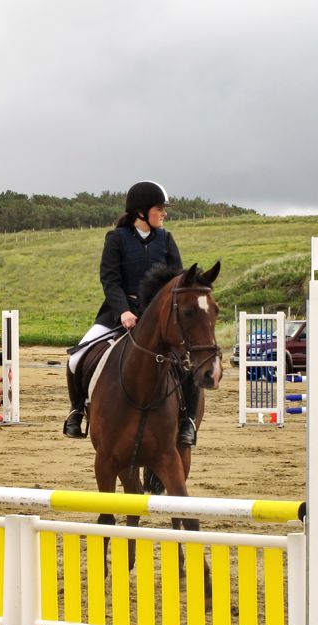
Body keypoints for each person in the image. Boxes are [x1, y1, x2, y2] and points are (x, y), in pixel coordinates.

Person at [64, 181, 200, 447]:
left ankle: (188, 420)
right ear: (141, 212)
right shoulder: (117, 238)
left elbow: (177, 280)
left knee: (188, 360)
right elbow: (110, 280)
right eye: (159, 208)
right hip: (118, 314)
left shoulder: (166, 239)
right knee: (76, 357)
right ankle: (76, 410)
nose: (164, 213)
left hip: (157, 317)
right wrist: (124, 311)